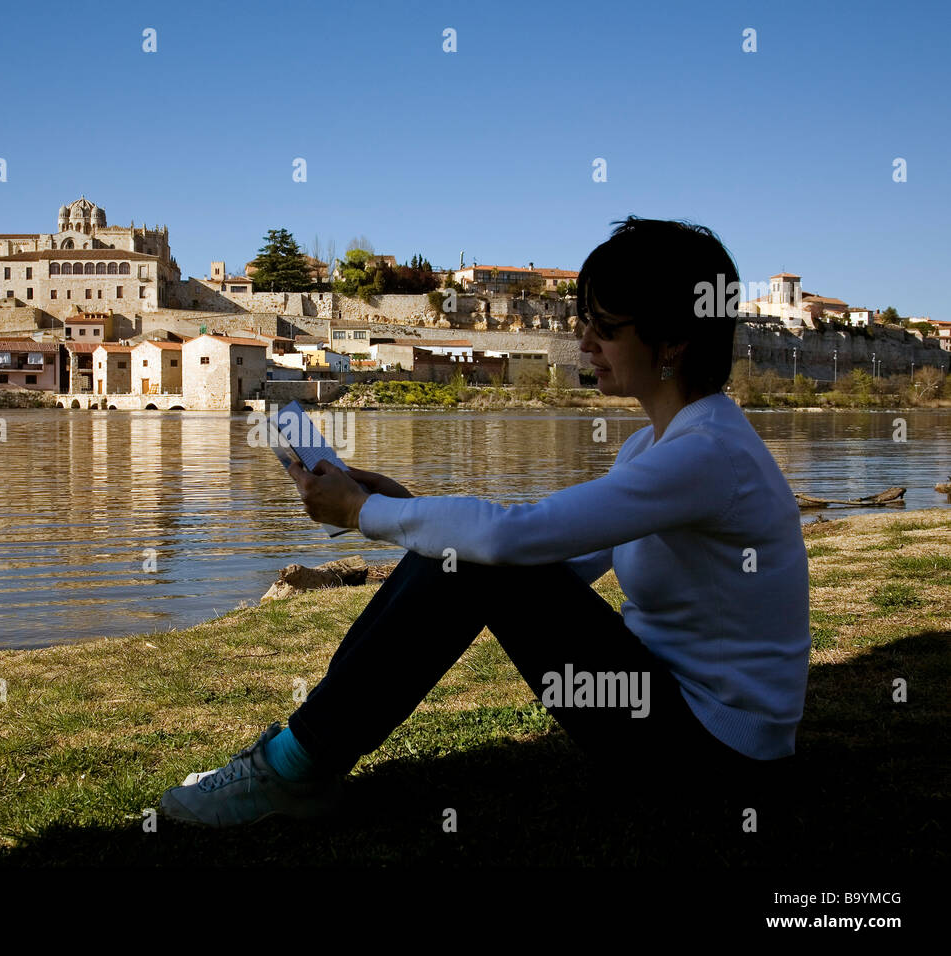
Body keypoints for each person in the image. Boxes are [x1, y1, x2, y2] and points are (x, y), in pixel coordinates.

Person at [159, 218, 811, 828]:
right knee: (462, 550)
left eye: (606, 329)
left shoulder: (708, 456)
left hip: (721, 765)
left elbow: (508, 545)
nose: (584, 343)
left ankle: (292, 769)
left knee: (475, 548)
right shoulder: (657, 447)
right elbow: (544, 563)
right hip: (662, 718)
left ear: (673, 343)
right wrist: (402, 504)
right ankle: (297, 757)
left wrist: (365, 514)